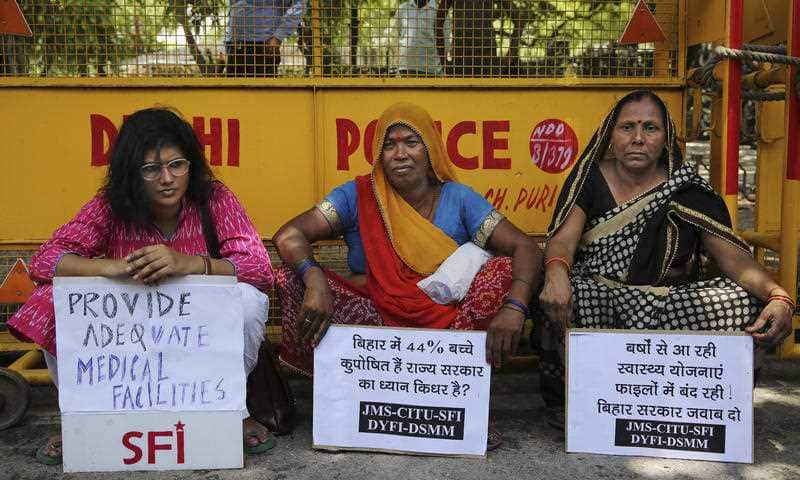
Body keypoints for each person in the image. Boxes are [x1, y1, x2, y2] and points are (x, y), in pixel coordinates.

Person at [7, 108, 276, 464]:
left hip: (193, 337)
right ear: (132, 174)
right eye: (151, 169)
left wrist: (190, 264)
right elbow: (47, 261)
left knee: (249, 300)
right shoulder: (111, 206)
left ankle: (230, 412)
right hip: (128, 340)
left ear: (191, 163)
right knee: (53, 300)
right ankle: (81, 417)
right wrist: (110, 267)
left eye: (177, 164)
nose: (167, 178)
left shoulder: (214, 199)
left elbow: (259, 268)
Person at [272, 101, 542, 450]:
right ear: (378, 154)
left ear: (430, 149)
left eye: (411, 142)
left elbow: (526, 248)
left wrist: (515, 307)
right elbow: (289, 235)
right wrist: (315, 279)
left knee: (503, 271)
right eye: (389, 144)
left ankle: (457, 406)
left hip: (448, 329)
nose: (399, 153)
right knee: (290, 277)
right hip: (375, 324)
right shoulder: (358, 195)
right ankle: (350, 406)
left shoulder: (458, 198)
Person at [537, 89, 794, 428]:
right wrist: (555, 273)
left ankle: (703, 405)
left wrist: (779, 297)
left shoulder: (684, 189)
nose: (638, 138)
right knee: (564, 291)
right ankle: (578, 402)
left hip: (668, 306)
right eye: (627, 127)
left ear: (666, 138)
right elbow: (564, 241)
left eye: (650, 128)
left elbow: (733, 260)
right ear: (611, 136)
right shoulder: (590, 177)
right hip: (602, 302)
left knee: (744, 300)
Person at [225, 0, 304, 77]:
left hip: (263, 46)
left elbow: (298, 5)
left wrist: (278, 36)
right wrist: (227, 41)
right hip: (234, 46)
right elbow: (233, 9)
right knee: (233, 88)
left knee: (260, 89)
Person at [395, 0, 450, 76]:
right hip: (406, 67)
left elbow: (445, 41)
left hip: (430, 68)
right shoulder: (402, 9)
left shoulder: (438, 10)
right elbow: (400, 33)